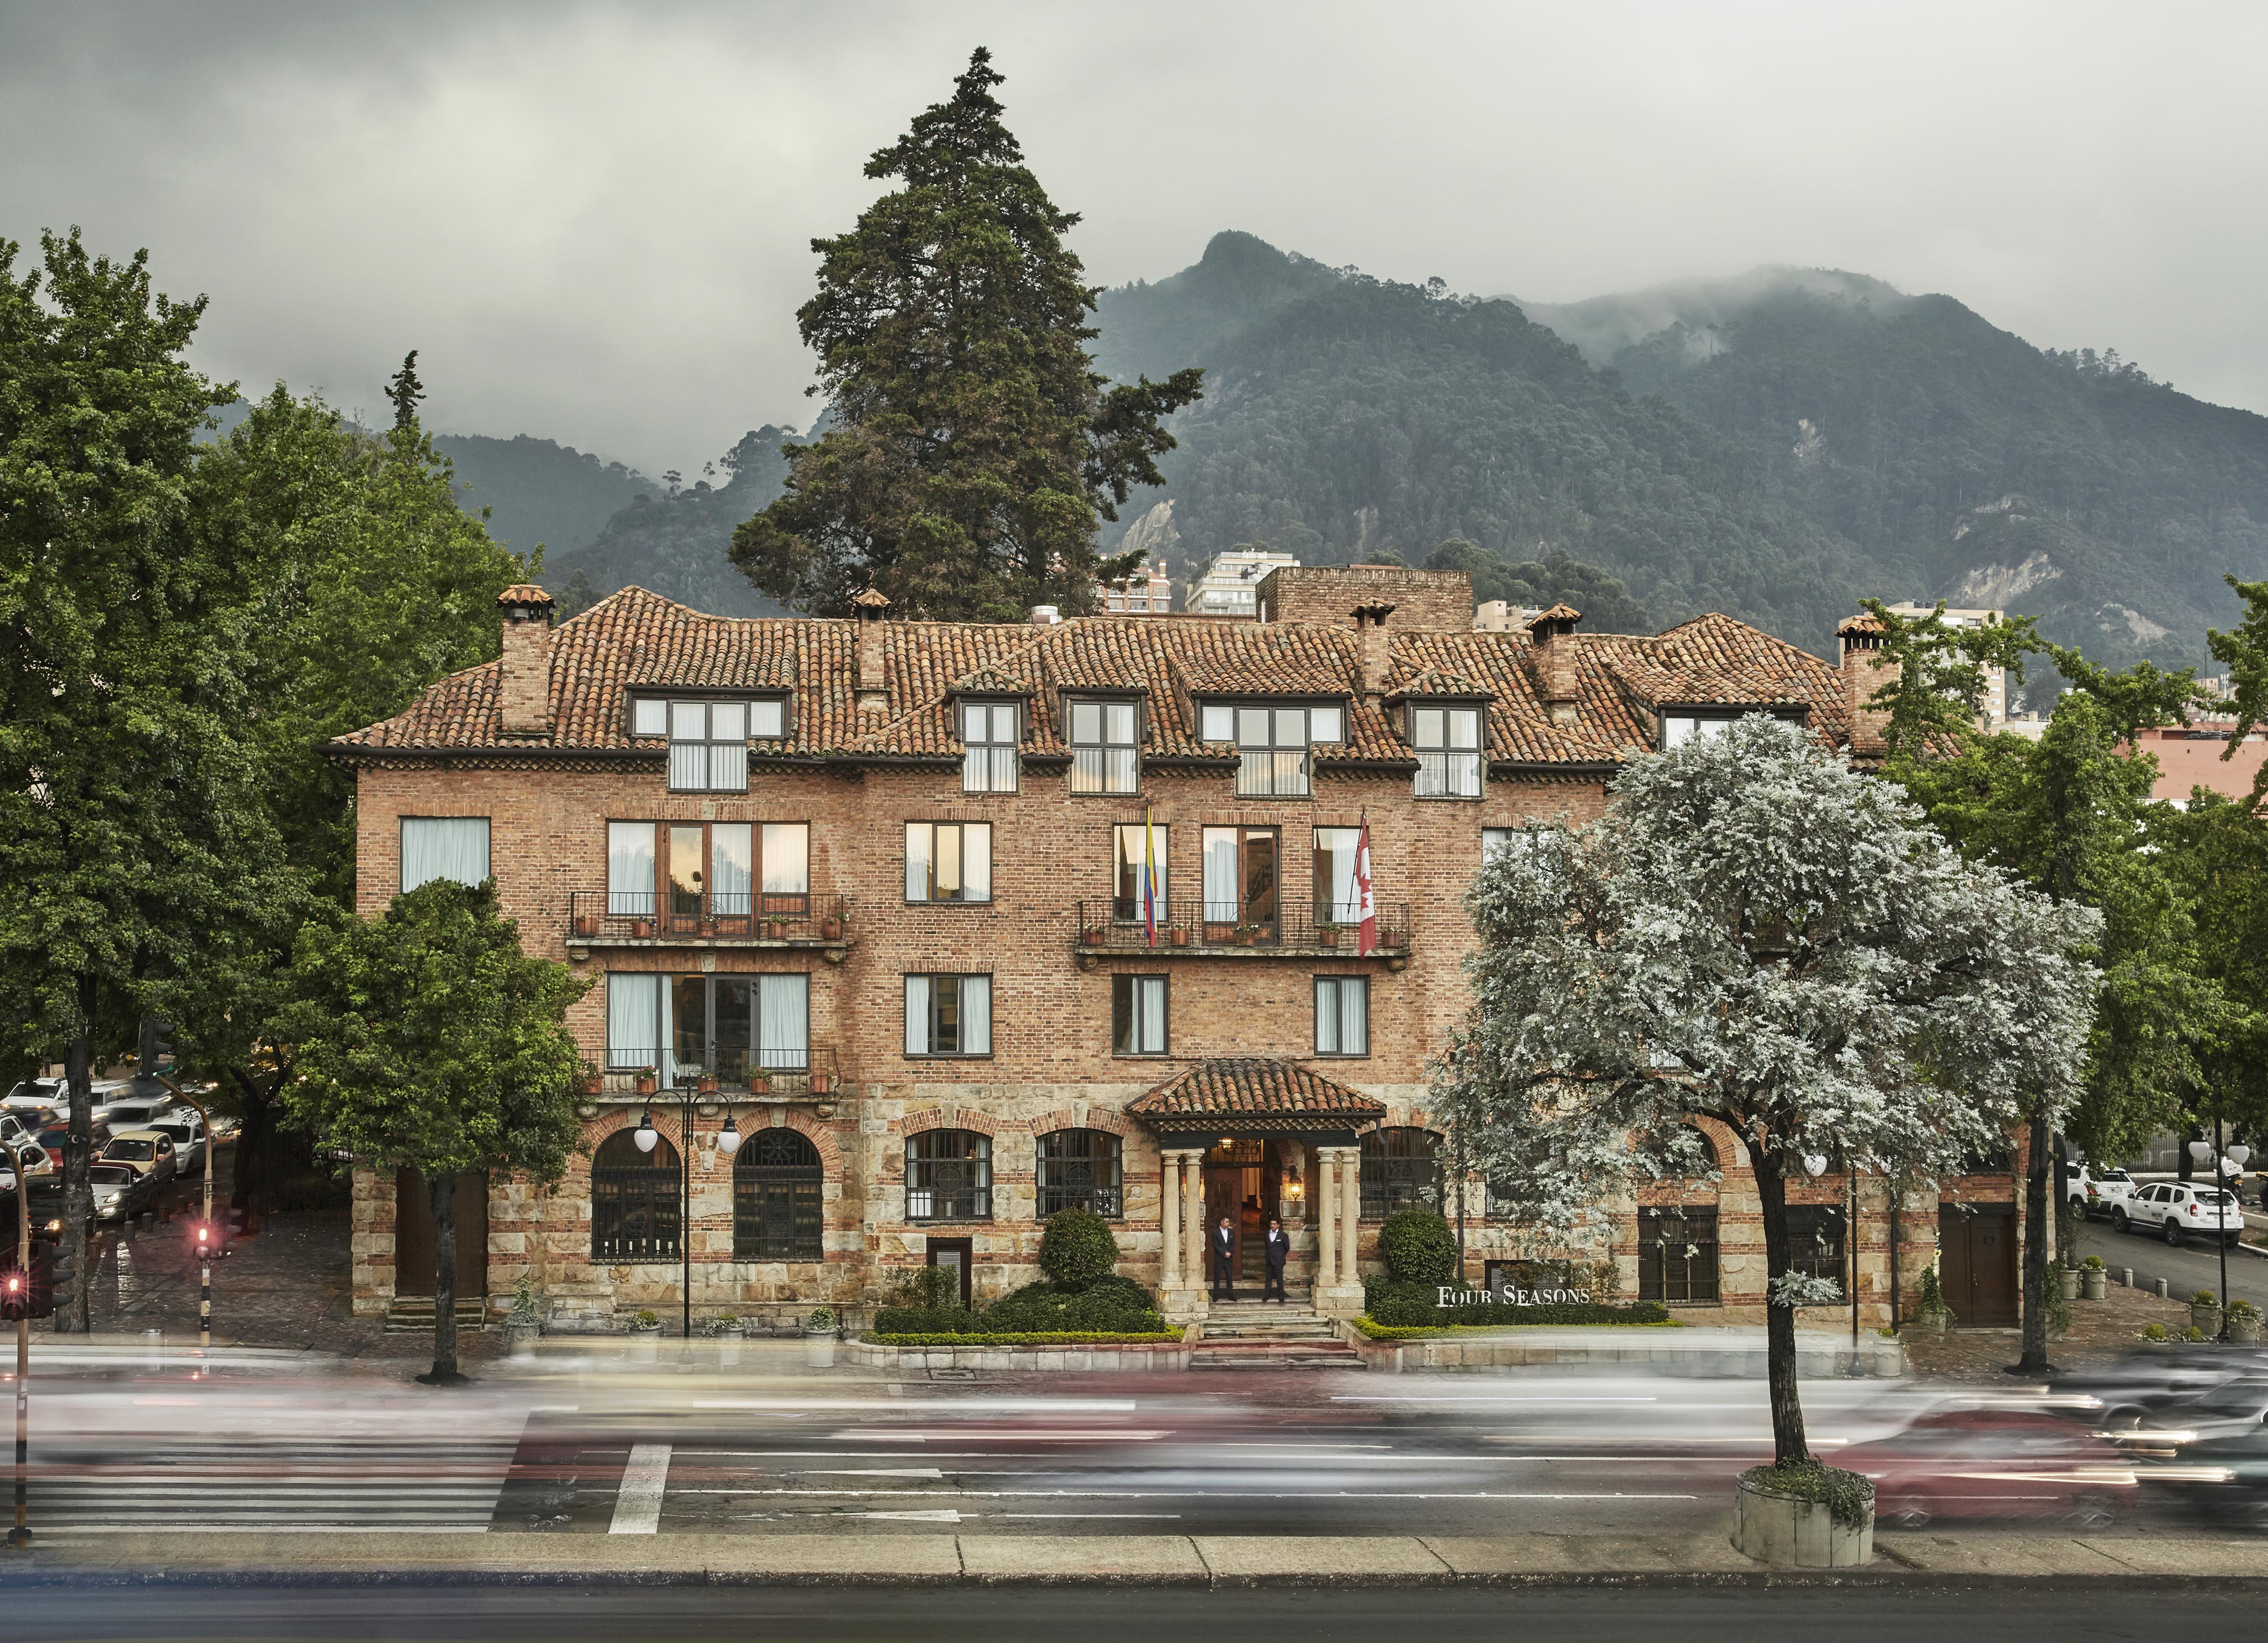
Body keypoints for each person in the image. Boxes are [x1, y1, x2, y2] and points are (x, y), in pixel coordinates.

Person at [1210, 1215, 1236, 1300]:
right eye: (1226, 1222)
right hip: (1220, 1258)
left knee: (1229, 1276)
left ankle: (1230, 1293)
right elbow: (1215, 1244)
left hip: (1229, 1258)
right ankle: (1216, 1294)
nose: (1228, 1223)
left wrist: (1230, 1253)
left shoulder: (1231, 1232)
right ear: (1222, 1222)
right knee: (1217, 1277)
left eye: (1229, 1222)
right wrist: (1224, 1253)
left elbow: (1233, 1244)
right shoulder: (1215, 1232)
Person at [1262, 1216, 1289, 1302]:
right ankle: (1267, 1295)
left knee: (1279, 1279)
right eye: (1271, 1224)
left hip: (1279, 1260)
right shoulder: (1267, 1234)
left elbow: (1287, 1248)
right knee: (1268, 1279)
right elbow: (1267, 1246)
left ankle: (1281, 1295)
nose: (1273, 1226)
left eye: (1274, 1224)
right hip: (1269, 1259)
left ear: (1278, 1225)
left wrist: (1280, 1255)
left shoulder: (1283, 1235)